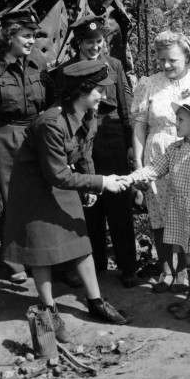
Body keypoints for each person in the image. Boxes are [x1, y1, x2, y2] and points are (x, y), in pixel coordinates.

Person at [3, 60, 131, 341]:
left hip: (62, 179)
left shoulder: (88, 114)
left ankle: (96, 301)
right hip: (35, 188)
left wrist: (92, 185)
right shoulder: (51, 123)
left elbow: (84, 154)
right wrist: (102, 182)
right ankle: (49, 309)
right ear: (81, 92)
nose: (103, 95)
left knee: (79, 238)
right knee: (42, 248)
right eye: (98, 90)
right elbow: (56, 175)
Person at [131, 30, 190, 293]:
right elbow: (139, 127)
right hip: (158, 153)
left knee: (187, 214)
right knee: (159, 216)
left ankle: (186, 270)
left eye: (172, 59)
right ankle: (165, 270)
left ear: (187, 55)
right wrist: (138, 164)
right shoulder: (148, 84)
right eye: (161, 59)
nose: (165, 65)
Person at [0, 9, 53, 284]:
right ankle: (13, 259)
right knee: (11, 199)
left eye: (33, 36)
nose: (32, 41)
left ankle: (40, 254)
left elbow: (50, 104)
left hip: (35, 134)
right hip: (3, 138)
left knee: (40, 196)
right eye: (26, 36)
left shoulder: (38, 62)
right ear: (9, 36)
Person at [56, 15, 138, 288]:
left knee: (119, 209)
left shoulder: (114, 65)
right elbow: (63, 114)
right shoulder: (67, 70)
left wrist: (129, 144)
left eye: (99, 41)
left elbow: (126, 109)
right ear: (79, 42)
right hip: (81, 147)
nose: (94, 47)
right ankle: (97, 264)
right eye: (89, 42)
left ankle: (128, 267)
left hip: (112, 144)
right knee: (89, 207)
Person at [126, 101, 190, 322]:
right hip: (178, 211)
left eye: (180, 120)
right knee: (184, 255)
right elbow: (155, 168)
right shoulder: (175, 149)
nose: (175, 123)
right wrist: (130, 178)